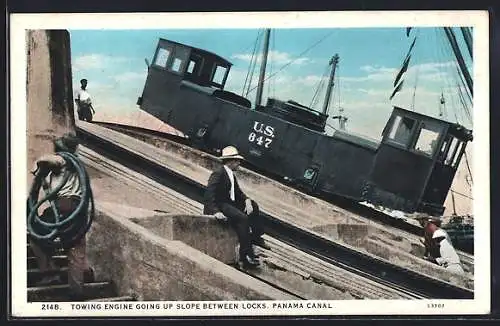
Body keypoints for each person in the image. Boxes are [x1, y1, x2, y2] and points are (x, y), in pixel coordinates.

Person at [28, 133, 94, 299]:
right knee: (75, 248)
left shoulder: (64, 160)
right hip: (78, 211)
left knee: (35, 235)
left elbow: (46, 160)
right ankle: (77, 291)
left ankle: (49, 272)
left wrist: (37, 165)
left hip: (64, 206)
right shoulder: (77, 164)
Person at [203, 146, 269, 268]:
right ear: (230, 161)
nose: (239, 163)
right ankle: (245, 255)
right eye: (237, 161)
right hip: (220, 205)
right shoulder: (218, 173)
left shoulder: (231, 175)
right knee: (242, 219)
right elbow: (209, 193)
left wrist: (247, 200)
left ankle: (255, 236)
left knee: (253, 205)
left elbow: (238, 193)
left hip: (228, 203)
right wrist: (215, 211)